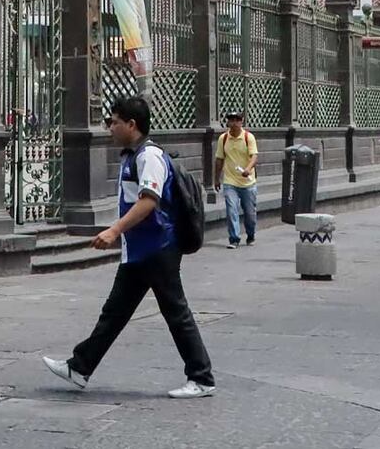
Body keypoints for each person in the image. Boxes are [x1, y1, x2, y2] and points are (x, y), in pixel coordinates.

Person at [42, 96, 215, 399]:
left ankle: (201, 377)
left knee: (175, 311)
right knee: (115, 312)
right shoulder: (131, 156)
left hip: (158, 248)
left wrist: (114, 230)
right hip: (140, 251)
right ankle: (80, 367)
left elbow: (149, 201)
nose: (110, 128)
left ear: (131, 125)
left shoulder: (149, 157)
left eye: (114, 122)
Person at [213, 112, 258, 247]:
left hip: (248, 182)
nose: (233, 123)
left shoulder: (248, 137)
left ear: (241, 122)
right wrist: (216, 178)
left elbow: (254, 156)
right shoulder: (223, 138)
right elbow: (219, 159)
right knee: (231, 209)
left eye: (236, 120)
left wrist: (248, 169)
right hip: (230, 181)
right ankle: (234, 239)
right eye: (231, 120)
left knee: (250, 214)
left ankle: (250, 234)